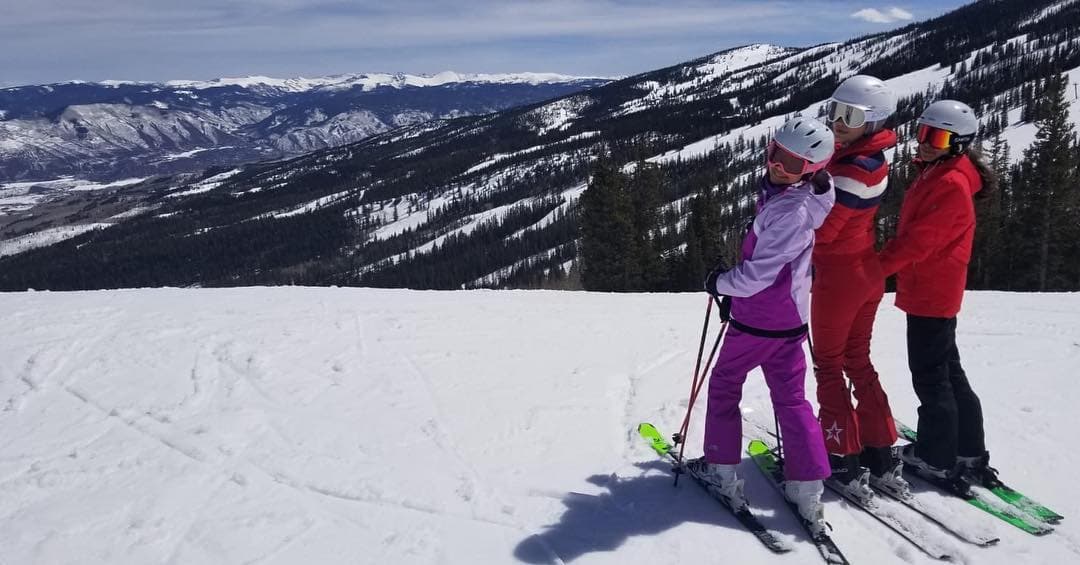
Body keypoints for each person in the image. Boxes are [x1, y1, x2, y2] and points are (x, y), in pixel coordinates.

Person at [687, 117, 836, 537]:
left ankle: (722, 470)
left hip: (758, 321)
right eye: (774, 153)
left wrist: (719, 283)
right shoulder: (813, 194)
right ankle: (807, 487)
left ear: (809, 169)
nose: (777, 166)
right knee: (791, 400)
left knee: (724, 385)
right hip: (790, 321)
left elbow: (757, 275)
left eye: (790, 162)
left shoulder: (791, 211)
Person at [878, 100, 998, 485]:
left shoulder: (949, 183)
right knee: (948, 369)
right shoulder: (943, 171)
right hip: (935, 289)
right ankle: (967, 448)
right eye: (923, 133)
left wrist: (872, 269)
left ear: (959, 143)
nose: (926, 143)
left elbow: (919, 242)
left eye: (938, 136)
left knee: (931, 375)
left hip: (931, 291)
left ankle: (936, 456)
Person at [811, 75, 906, 500]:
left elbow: (824, 233)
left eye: (848, 116)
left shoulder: (853, 168)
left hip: (839, 279)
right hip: (866, 272)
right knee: (857, 361)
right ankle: (880, 449)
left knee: (829, 364)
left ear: (872, 121)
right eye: (833, 111)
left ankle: (840, 457)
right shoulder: (872, 158)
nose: (836, 122)